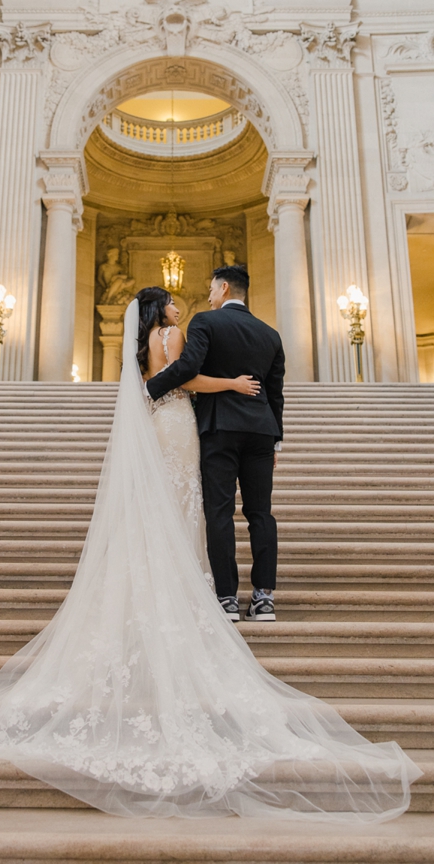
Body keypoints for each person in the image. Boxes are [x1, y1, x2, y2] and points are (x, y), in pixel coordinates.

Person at [0, 283, 420, 820]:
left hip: (158, 425)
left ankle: (168, 586)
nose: (181, 305)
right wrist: (234, 383)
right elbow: (186, 377)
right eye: (172, 301)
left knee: (170, 510)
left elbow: (155, 380)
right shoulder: (177, 333)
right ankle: (214, 589)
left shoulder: (140, 341)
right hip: (179, 423)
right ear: (162, 310)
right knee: (187, 510)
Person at [143, 265, 283, 624]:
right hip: (261, 432)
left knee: (219, 512)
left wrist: (149, 390)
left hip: (219, 428)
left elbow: (187, 367)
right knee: (260, 513)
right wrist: (276, 444)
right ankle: (264, 598)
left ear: (223, 288)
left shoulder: (206, 322)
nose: (207, 296)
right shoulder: (271, 334)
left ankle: (227, 599)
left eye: (210, 289)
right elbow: (275, 394)